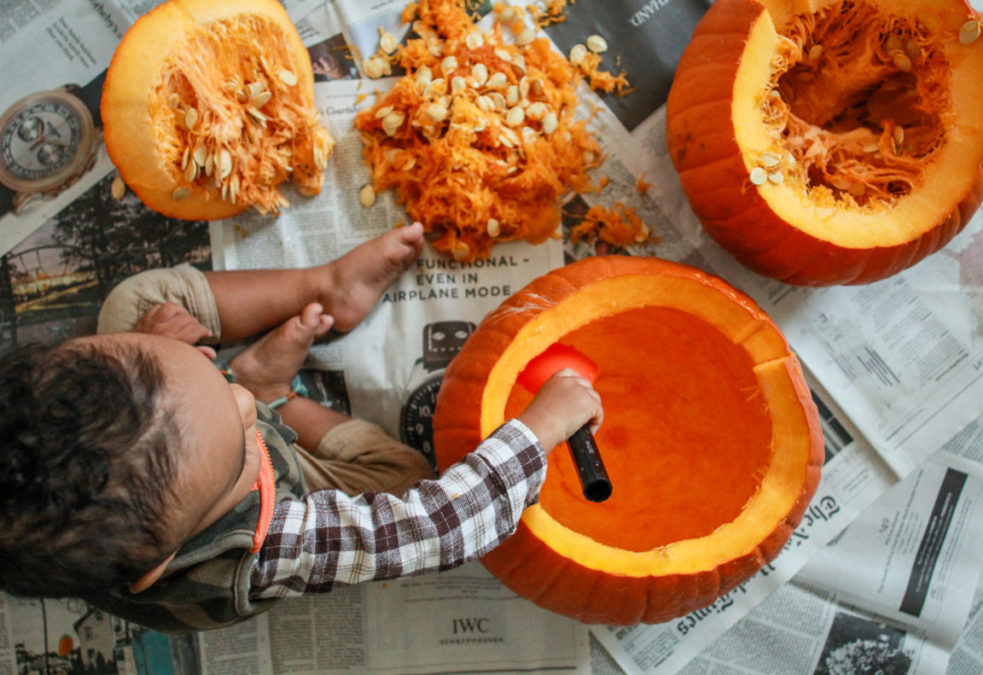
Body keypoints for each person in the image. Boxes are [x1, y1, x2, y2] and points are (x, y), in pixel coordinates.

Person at [0, 223, 602, 632]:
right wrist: (538, 429)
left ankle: (327, 286)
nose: (237, 403)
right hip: (289, 488)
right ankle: (279, 394)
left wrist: (154, 343)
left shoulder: (65, 403)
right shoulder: (265, 551)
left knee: (136, 298)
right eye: (242, 438)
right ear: (162, 561)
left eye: (215, 376)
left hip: (162, 428)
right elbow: (440, 530)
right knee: (405, 476)